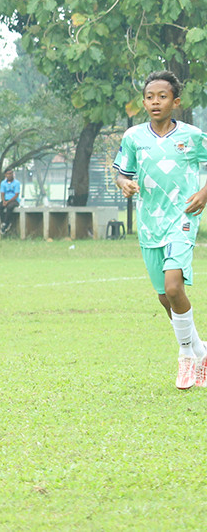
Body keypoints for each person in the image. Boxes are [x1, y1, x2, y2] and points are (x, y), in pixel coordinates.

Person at [113, 70, 207, 389]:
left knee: (174, 287)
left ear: (175, 102)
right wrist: (125, 183)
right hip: (149, 223)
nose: (156, 102)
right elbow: (121, 173)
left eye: (162, 96)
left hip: (182, 218)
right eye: (150, 97)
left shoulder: (192, 137)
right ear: (143, 102)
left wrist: (204, 194)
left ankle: (186, 359)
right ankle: (201, 351)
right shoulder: (133, 137)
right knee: (164, 297)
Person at [0, 168, 21, 235]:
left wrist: (8, 202)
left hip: (14, 200)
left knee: (9, 207)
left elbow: (16, 195)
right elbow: (2, 193)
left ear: (13, 174)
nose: (9, 175)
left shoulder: (16, 183)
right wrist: (3, 201)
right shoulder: (3, 183)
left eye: (11, 173)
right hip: (6, 200)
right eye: (8, 174)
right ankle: (5, 222)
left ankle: (6, 223)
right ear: (5, 175)